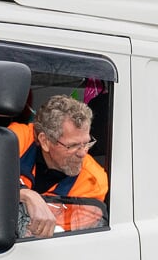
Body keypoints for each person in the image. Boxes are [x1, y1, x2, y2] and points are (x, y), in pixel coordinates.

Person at [8, 95, 108, 237]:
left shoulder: (93, 181)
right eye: (73, 145)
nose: (83, 153)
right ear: (45, 141)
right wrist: (26, 194)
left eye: (86, 143)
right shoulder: (15, 140)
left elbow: (60, 237)